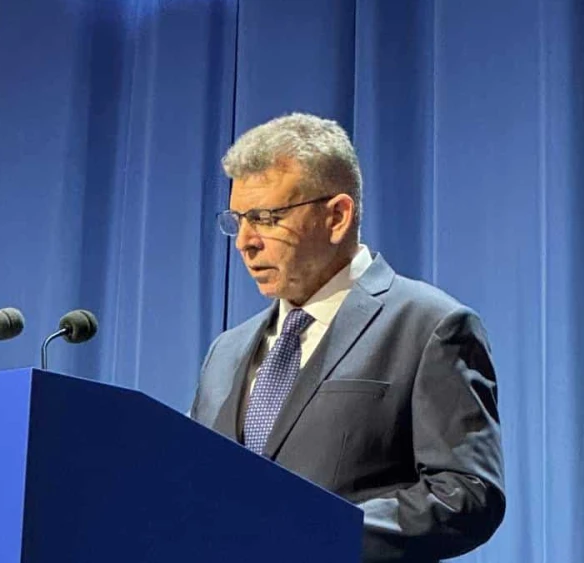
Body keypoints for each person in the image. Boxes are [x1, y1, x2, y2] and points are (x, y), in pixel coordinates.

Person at [189, 112, 505, 562]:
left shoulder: (431, 325)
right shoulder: (226, 350)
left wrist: (314, 534)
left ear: (337, 216)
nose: (244, 242)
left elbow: (465, 495)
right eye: (238, 219)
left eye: (265, 218)